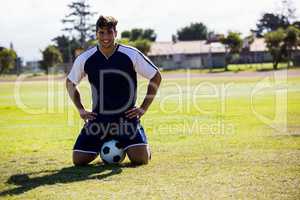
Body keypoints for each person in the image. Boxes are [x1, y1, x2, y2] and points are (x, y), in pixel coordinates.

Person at [66, 15, 161, 166]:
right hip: (99, 120)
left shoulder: (131, 54)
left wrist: (143, 108)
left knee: (140, 160)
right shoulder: (86, 58)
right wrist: (81, 109)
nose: (105, 37)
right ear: (96, 34)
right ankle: (106, 141)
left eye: (109, 32)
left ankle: (140, 146)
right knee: (79, 160)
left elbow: (156, 76)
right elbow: (70, 82)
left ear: (115, 33)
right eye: (101, 32)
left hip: (126, 118)